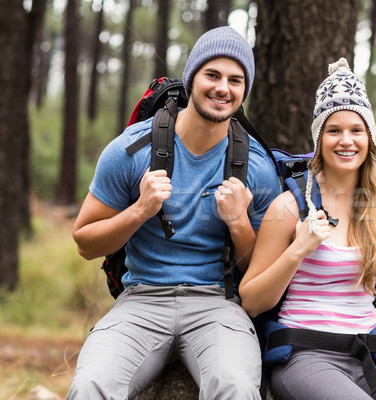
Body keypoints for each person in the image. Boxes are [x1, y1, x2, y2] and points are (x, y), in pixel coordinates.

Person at [67, 26, 281, 400]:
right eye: (212, 75)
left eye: (235, 80)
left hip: (219, 304)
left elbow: (261, 276)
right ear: (192, 79)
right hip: (141, 299)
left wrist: (239, 222)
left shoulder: (257, 168)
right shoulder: (132, 150)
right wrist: (139, 211)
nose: (222, 88)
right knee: (90, 385)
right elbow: (85, 242)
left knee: (234, 386)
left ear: (244, 91)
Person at [239, 58, 376, 400]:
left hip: (371, 358)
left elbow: (366, 286)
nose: (346, 140)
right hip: (305, 357)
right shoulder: (289, 207)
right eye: (333, 130)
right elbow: (250, 300)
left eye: (356, 130)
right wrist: (298, 250)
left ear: (370, 138)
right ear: (319, 137)